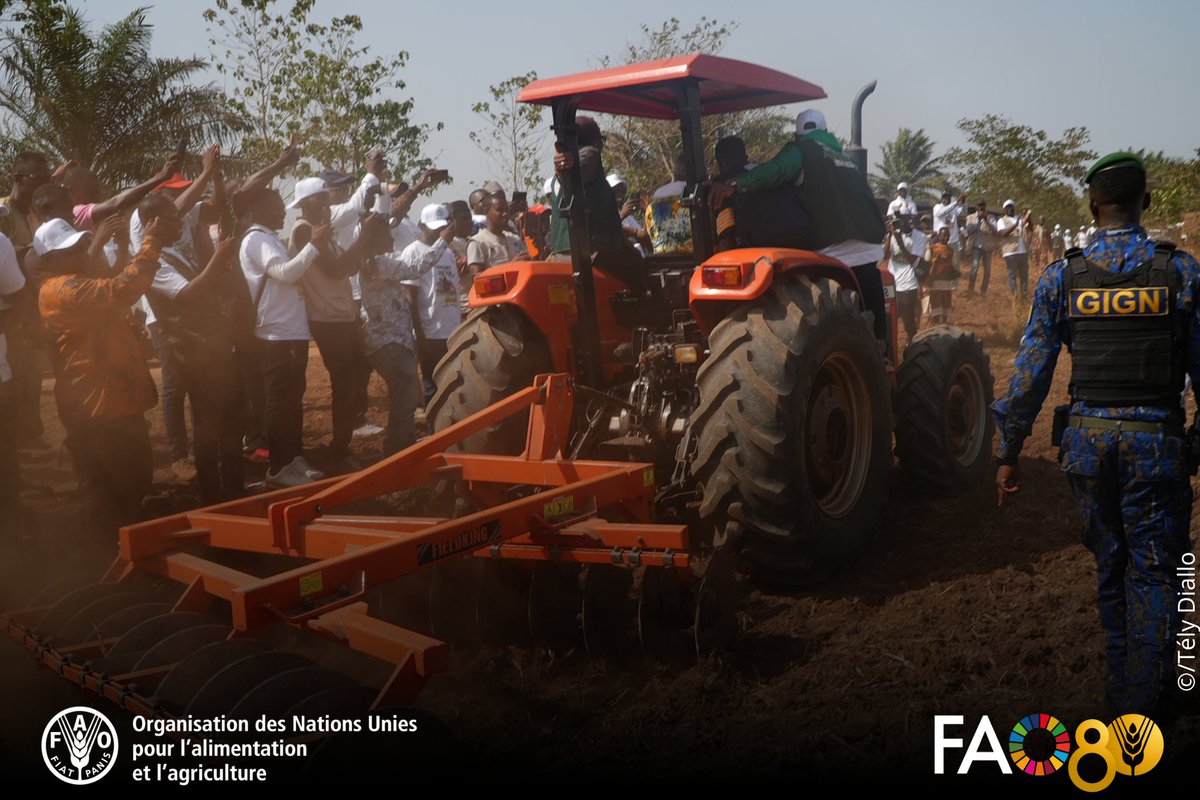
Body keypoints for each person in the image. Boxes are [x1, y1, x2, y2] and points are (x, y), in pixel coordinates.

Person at [994, 151, 1198, 717]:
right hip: (1157, 447)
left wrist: (1009, 450)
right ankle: (1149, 692)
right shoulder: (1180, 271)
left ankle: (1125, 676)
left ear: (1092, 204)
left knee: (1110, 562)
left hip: (1086, 449)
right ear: (1147, 203)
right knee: (1160, 567)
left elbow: (1030, 373)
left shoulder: (1064, 276)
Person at [36, 213, 174, 531]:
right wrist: (151, 242)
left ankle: (128, 552)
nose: (81, 253)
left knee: (133, 483)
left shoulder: (77, 285)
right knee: (108, 494)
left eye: (82, 246)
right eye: (72, 250)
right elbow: (120, 289)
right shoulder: (60, 289)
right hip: (95, 409)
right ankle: (105, 561)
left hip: (115, 402)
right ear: (52, 258)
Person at [708, 109, 888, 346]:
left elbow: (775, 171)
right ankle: (882, 353)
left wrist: (735, 185)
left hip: (832, 247)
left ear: (797, 136)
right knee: (871, 311)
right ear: (826, 132)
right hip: (868, 245)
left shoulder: (801, 150)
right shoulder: (843, 157)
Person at [140, 194, 245, 504]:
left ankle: (234, 487)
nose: (180, 221)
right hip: (195, 354)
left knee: (229, 420)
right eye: (172, 217)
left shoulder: (174, 253)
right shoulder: (153, 261)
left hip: (212, 347)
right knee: (209, 423)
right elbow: (185, 295)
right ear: (152, 224)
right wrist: (217, 258)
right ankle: (214, 493)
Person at [239, 186, 330, 487]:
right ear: (257, 209)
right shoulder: (256, 239)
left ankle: (293, 458)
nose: (283, 211)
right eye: (277, 206)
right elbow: (286, 273)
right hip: (274, 334)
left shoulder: (270, 239)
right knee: (279, 401)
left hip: (290, 331)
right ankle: (278, 467)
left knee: (292, 399)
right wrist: (314, 246)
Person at [289, 177, 377, 466]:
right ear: (303, 203)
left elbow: (346, 265)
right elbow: (336, 270)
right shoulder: (304, 232)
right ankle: (340, 449)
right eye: (320, 198)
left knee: (356, 373)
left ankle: (343, 444)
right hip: (327, 319)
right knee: (345, 381)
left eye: (326, 197)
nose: (327, 203)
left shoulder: (325, 234)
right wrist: (363, 241)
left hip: (340, 317)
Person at [360, 204, 455, 455]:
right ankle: (397, 449)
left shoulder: (378, 261)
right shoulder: (376, 262)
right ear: (373, 239)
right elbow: (414, 268)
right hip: (389, 343)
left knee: (405, 396)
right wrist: (443, 242)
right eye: (385, 235)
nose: (391, 238)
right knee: (405, 395)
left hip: (392, 341)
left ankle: (402, 444)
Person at [885, 214, 924, 345]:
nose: (898, 226)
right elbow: (884, 256)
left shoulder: (920, 237)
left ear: (908, 221)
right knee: (888, 322)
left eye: (900, 222)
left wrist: (900, 242)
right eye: (895, 223)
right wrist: (890, 236)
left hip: (908, 284)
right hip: (891, 283)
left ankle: (912, 348)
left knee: (909, 323)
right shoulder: (892, 235)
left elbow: (914, 260)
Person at [646, 154, 693, 254]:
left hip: (662, 262)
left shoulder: (652, 205)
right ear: (684, 171)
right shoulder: (697, 196)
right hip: (695, 259)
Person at [995, 199, 1030, 301]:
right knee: (1012, 275)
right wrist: (1015, 225)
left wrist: (1027, 217)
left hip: (1022, 250)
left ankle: (1024, 297)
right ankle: (1015, 296)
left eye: (1011, 206)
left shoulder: (1019, 218)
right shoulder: (1001, 221)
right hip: (1010, 252)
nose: (1009, 209)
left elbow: (1028, 227)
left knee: (1024, 276)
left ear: (1014, 208)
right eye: (1007, 207)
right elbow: (1002, 234)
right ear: (1004, 210)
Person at [927, 227, 957, 324]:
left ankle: (943, 326)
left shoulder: (951, 251)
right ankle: (935, 325)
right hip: (935, 282)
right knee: (936, 306)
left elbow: (953, 265)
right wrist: (928, 279)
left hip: (946, 283)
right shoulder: (933, 248)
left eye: (948, 236)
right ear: (939, 236)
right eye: (944, 235)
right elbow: (927, 263)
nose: (946, 238)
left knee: (945, 306)